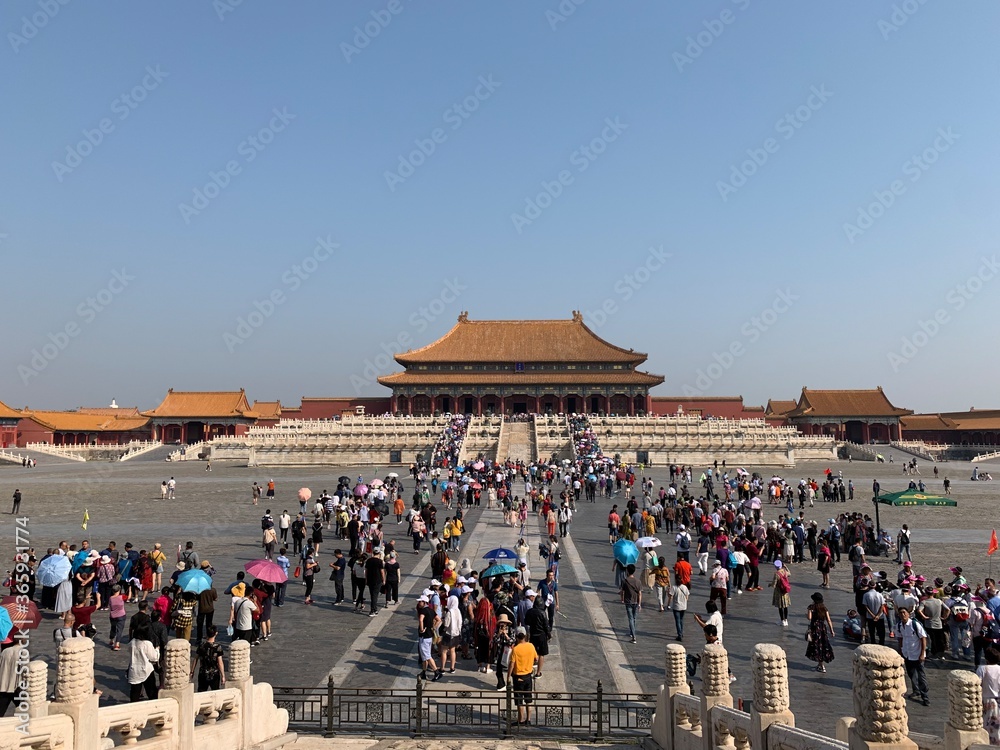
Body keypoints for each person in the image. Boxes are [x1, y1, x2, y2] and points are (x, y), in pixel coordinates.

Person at [897, 607, 929, 706]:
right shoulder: (899, 626)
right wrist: (901, 651)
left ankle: (925, 696)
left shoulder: (915, 625)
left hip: (917, 654)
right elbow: (900, 638)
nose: (903, 614)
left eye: (904, 612)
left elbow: (923, 638)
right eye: (901, 613)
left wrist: (922, 653)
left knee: (921, 676)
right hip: (907, 654)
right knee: (911, 674)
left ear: (908, 614)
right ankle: (916, 690)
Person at [508, 628, 538, 726]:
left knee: (519, 700)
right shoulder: (531, 646)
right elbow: (536, 658)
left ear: (516, 637)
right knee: (528, 699)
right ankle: (528, 720)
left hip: (518, 677)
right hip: (528, 676)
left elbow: (512, 664)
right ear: (525, 636)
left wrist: (508, 676)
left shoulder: (515, 649)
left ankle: (520, 720)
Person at [127, 624, 160, 702]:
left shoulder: (132, 642)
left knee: (134, 694)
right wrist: (157, 650)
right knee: (151, 692)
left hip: (134, 670)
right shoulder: (146, 644)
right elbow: (154, 657)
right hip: (146, 670)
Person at [806, 592, 835, 672]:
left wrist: (808, 613)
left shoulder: (811, 607)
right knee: (822, 645)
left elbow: (809, 618)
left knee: (817, 646)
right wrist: (832, 630)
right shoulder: (824, 608)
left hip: (815, 628)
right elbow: (829, 620)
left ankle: (822, 666)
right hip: (822, 628)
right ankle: (820, 665)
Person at [191, 625, 226, 692]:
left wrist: (192, 671)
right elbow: (220, 663)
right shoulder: (217, 647)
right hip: (214, 673)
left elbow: (195, 659)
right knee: (215, 692)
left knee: (201, 692)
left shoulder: (201, 646)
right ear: (216, 633)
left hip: (203, 673)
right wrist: (223, 675)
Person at [524, 592, 551, 678]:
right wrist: (549, 634)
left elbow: (526, 622)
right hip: (541, 635)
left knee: (532, 653)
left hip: (533, 634)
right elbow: (546, 626)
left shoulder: (530, 612)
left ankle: (530, 670)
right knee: (541, 654)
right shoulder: (543, 613)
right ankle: (538, 673)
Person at [416, 594, 442, 681]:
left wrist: (422, 629)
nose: (419, 603)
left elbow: (420, 619)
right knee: (424, 656)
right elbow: (439, 619)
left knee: (427, 656)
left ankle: (436, 672)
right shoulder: (431, 610)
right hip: (429, 636)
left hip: (424, 636)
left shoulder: (423, 611)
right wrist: (434, 627)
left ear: (425, 602)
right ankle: (423, 672)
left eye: (420, 601)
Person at [977, 647, 1000, 744]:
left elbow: (977, 684)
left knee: (985, 726)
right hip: (998, 701)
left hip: (986, 700)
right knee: (997, 728)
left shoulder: (982, 669)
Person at [620, 563, 641, 644]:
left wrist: (622, 599)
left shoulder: (625, 581)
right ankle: (632, 632)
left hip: (628, 602)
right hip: (636, 601)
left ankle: (633, 635)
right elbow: (640, 593)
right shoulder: (638, 581)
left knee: (630, 618)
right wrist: (640, 604)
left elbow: (622, 591)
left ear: (627, 571)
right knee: (634, 618)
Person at [771, 560, 791, 627]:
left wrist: (770, 584)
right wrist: (785, 567)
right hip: (785, 591)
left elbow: (774, 584)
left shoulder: (777, 574)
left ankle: (782, 621)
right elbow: (790, 574)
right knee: (785, 606)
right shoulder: (785, 571)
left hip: (779, 592)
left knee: (780, 607)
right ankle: (786, 620)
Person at [108, 584, 126, 651]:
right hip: (121, 615)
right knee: (119, 630)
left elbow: (110, 605)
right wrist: (130, 590)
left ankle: (111, 640)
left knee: (113, 628)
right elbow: (128, 597)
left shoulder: (111, 598)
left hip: (112, 616)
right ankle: (117, 644)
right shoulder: (121, 597)